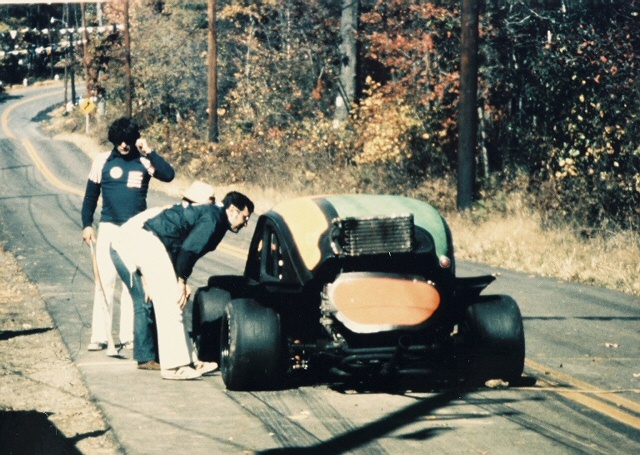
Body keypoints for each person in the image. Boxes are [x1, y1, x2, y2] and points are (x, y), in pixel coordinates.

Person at [109, 191, 254, 380]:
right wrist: (181, 281)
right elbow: (188, 250)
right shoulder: (214, 218)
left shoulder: (215, 217)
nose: (245, 223)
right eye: (245, 217)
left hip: (156, 245)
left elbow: (185, 251)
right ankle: (174, 367)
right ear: (233, 210)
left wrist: (180, 278)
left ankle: (188, 361)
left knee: (176, 303)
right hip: (149, 242)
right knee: (172, 303)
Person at [81, 117, 175, 358]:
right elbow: (90, 196)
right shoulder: (102, 160)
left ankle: (128, 337)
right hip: (109, 227)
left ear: (134, 140)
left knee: (131, 284)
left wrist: (149, 151)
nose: (124, 145)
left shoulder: (144, 161)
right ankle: (100, 337)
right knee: (104, 281)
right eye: (120, 141)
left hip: (136, 230)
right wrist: (87, 225)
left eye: (128, 141)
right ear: (113, 140)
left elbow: (168, 175)